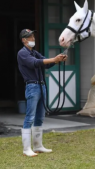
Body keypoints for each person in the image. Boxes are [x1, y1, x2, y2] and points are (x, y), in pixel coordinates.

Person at [17, 29, 67, 157]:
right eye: (30, 37)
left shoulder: (34, 52)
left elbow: (46, 64)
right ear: (24, 40)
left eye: (33, 36)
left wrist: (57, 60)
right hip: (32, 86)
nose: (33, 39)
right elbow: (35, 63)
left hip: (41, 85)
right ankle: (26, 149)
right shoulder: (22, 53)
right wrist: (53, 59)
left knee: (40, 117)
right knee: (30, 117)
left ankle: (38, 146)